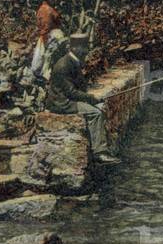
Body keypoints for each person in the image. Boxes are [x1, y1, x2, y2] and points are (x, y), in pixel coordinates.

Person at [46, 33, 118, 165]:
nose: (86, 51)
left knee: (99, 108)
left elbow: (78, 88)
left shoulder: (74, 61)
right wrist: (91, 98)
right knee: (96, 114)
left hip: (68, 99)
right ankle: (99, 153)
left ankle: (104, 147)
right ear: (74, 48)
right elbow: (71, 92)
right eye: (83, 48)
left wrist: (92, 99)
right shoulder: (64, 65)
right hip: (62, 103)